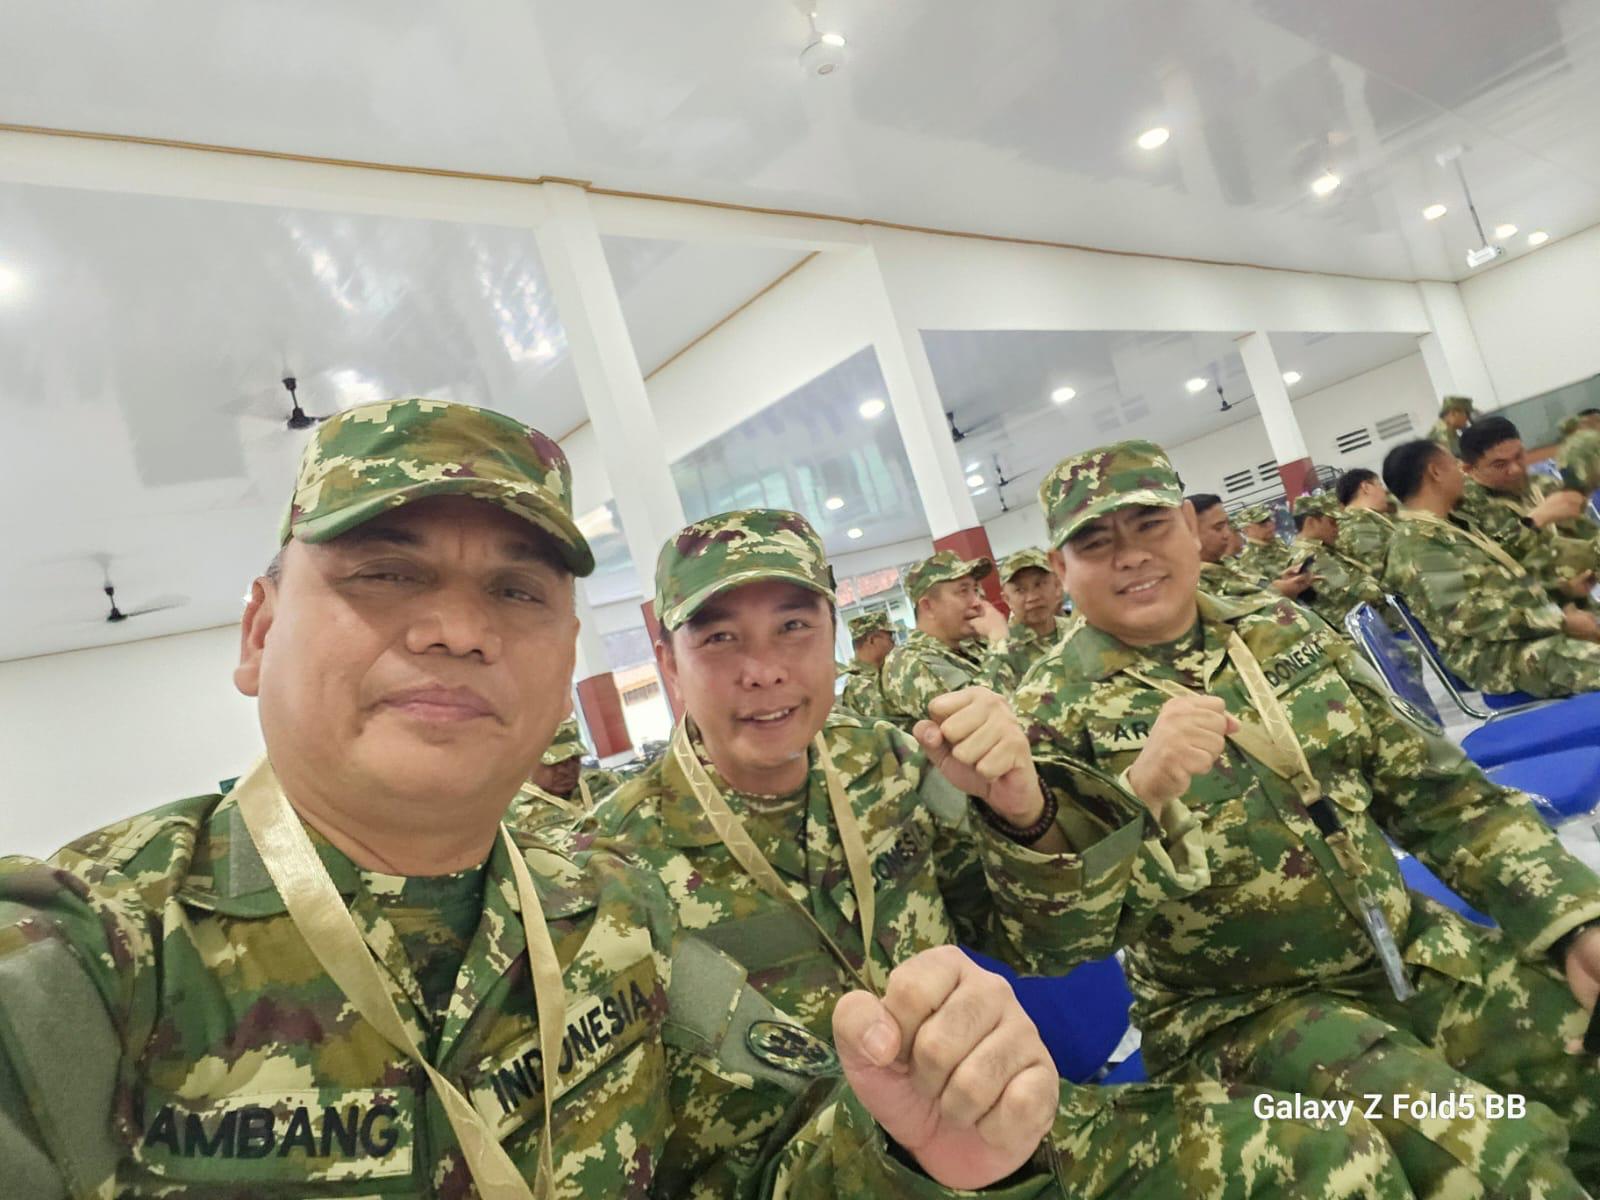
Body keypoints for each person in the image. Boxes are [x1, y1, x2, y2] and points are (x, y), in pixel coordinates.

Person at [0, 400, 1063, 1199]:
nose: (460, 630)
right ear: (259, 632)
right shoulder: (91, 962)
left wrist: (911, 1150)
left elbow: (760, 1161)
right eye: (384, 573)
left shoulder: (614, 910)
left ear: (566, 667)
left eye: (516, 591)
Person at [581, 506, 1411, 1200]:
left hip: (1022, 1132)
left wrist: (1025, 813)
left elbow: (1056, 947)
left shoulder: (888, 765)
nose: (763, 670)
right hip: (831, 1181)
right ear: (668, 664)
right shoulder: (608, 871)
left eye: (793, 626)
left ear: (831, 634)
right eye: (719, 639)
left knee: (1336, 1153)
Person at [1014, 436, 1600, 1200]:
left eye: (1149, 525)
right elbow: (1064, 933)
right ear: (1062, 569)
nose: (1130, 556)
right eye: (1095, 542)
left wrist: (1572, 916)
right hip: (1242, 1014)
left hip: (1404, 948)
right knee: (1494, 1162)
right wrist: (1137, 797)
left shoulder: (1278, 628)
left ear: (1187, 528)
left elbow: (1440, 794)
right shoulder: (1047, 714)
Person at [1382, 438, 1600, 698]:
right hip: (1493, 655)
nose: (1463, 473)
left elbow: (1497, 586)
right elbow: (1471, 616)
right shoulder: (1417, 544)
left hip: (1520, 634)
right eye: (1454, 464)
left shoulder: (1450, 524)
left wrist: (1561, 590)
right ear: (1435, 472)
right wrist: (1560, 621)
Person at [1456, 414, 1599, 585]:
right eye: (1500, 465)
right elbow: (1499, 565)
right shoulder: (1466, 509)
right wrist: (1536, 519)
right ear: (1469, 469)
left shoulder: (1543, 485)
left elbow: (1586, 533)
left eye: (1519, 456)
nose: (1515, 469)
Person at [880, 550, 1012, 725]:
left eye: (975, 590)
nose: (977, 602)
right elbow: (980, 719)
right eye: (963, 591)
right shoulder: (909, 662)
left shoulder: (969, 646)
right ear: (928, 607)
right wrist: (998, 641)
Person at [1285, 492, 1386, 630]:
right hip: (1359, 630)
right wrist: (1387, 584)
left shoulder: (1321, 549)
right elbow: (1364, 592)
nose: (1337, 528)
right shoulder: (1309, 557)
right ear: (1311, 522)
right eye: (1331, 522)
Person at [508, 716, 625, 833]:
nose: (565, 771)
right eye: (555, 763)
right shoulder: (509, 811)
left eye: (573, 759)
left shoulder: (603, 783)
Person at [1191, 494, 1313, 601]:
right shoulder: (1196, 584)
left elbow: (1257, 587)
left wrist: (1283, 582)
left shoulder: (1229, 563)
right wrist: (1279, 592)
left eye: (1226, 525)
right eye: (1218, 528)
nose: (1227, 534)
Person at [992, 547, 1075, 682]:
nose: (1032, 597)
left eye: (1039, 584)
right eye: (1020, 590)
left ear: (1056, 585)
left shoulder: (1077, 630)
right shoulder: (1003, 654)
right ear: (1007, 600)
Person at [836, 611, 894, 719]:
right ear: (872, 640)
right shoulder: (858, 684)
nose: (893, 643)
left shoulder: (883, 672)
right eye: (890, 637)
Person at [1334, 468, 1397, 566]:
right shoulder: (1359, 525)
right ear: (1366, 487)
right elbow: (1379, 567)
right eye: (1380, 485)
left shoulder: (1366, 518)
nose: (1384, 491)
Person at [1234, 504, 1291, 580]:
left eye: (1269, 519)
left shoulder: (1276, 541)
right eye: (1262, 523)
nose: (1270, 524)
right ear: (1246, 530)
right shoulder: (1248, 559)